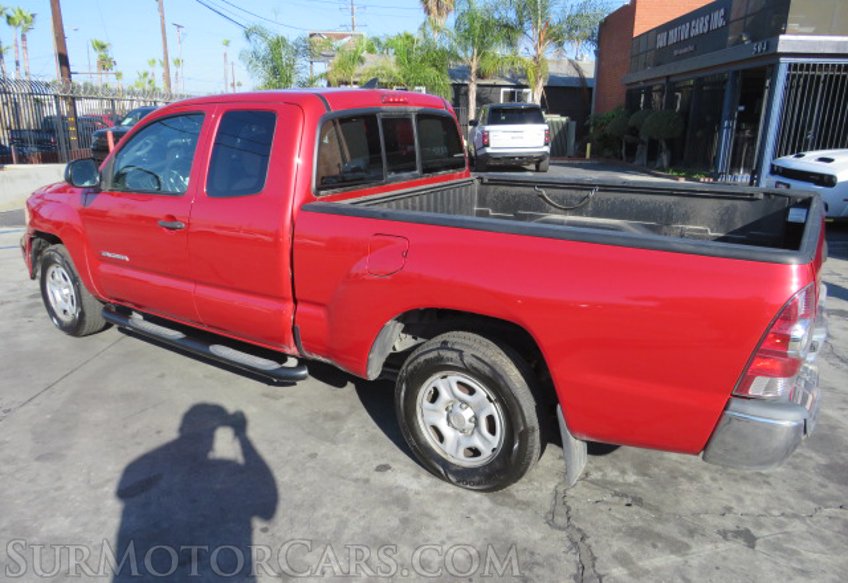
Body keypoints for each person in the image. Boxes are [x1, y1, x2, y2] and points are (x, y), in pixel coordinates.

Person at [113, 404, 277, 581]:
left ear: (182, 429)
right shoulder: (225, 470)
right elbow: (267, 507)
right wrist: (242, 437)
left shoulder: (143, 468)